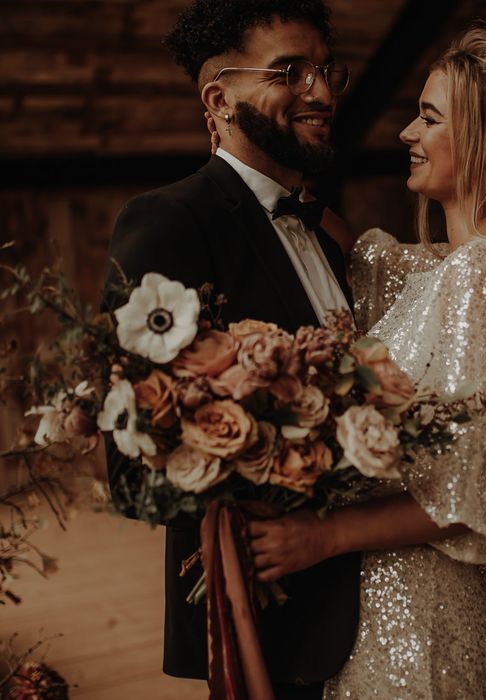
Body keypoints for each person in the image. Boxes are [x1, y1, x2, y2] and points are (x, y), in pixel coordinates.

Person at [246, 12, 486, 699]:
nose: (408, 133)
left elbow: (484, 491)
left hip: (429, 620)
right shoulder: (443, 271)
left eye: (430, 118)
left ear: (485, 139)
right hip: (401, 606)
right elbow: (355, 250)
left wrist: (319, 538)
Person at [102, 1, 360, 697]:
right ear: (219, 99)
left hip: (376, 608)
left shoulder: (326, 231)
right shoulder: (173, 221)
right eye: (291, 72)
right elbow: (132, 465)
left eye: (326, 70)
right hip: (267, 620)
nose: (324, 92)